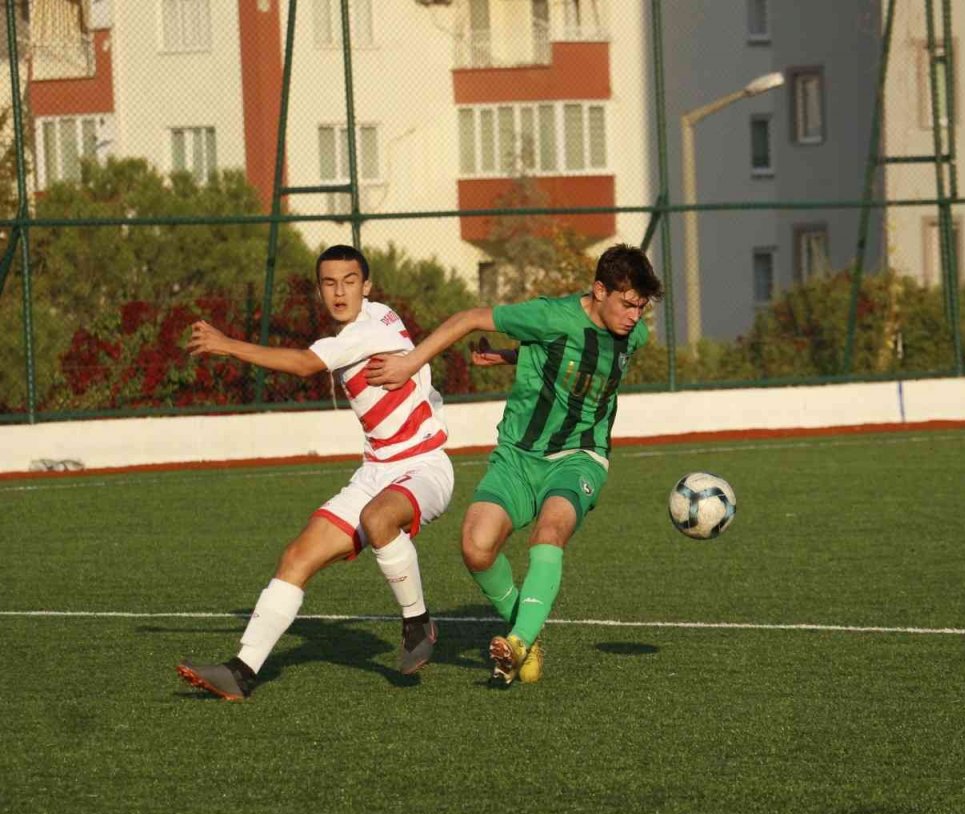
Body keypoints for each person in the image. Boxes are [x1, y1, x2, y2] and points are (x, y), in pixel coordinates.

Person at [365, 243, 662, 688]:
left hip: (580, 455)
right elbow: (469, 319)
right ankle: (530, 635)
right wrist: (410, 363)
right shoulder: (548, 316)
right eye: (627, 304)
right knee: (476, 547)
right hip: (518, 455)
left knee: (550, 530)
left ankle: (519, 640)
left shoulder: (632, 335)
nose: (634, 316)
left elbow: (583, 367)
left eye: (641, 306)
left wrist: (510, 358)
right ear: (599, 290)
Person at [175, 244, 454, 701]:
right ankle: (241, 671)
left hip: (425, 467)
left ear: (367, 286)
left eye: (349, 281)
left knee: (378, 519)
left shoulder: (360, 332)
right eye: (329, 283)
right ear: (319, 290)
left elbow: (305, 365)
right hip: (376, 471)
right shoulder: (380, 317)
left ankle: (417, 623)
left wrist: (226, 345)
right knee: (296, 557)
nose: (339, 292)